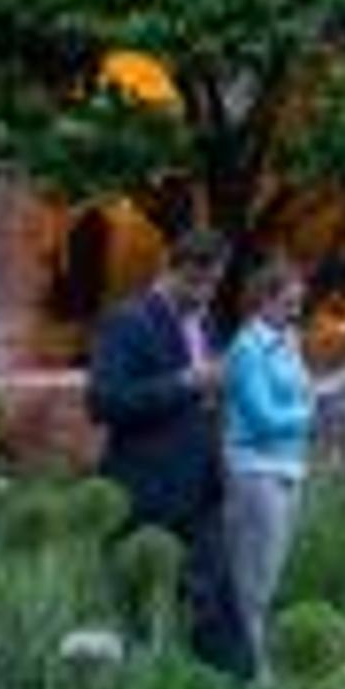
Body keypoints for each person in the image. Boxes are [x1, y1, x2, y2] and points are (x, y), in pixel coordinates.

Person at [88, 230, 232, 666]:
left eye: (213, 284)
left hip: (202, 485)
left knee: (203, 600)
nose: (206, 293)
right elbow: (103, 401)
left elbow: (207, 395)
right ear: (171, 270)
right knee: (138, 603)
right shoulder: (129, 321)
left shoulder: (206, 322)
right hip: (146, 488)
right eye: (197, 283)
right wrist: (183, 382)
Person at [221, 263, 320, 682]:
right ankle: (251, 671)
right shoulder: (246, 348)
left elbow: (303, 393)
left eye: (299, 302)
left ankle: (253, 663)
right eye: (288, 302)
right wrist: (313, 413)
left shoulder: (288, 341)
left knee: (272, 569)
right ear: (263, 300)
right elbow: (262, 418)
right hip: (255, 468)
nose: (296, 310)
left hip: (289, 467)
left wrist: (312, 404)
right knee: (252, 574)